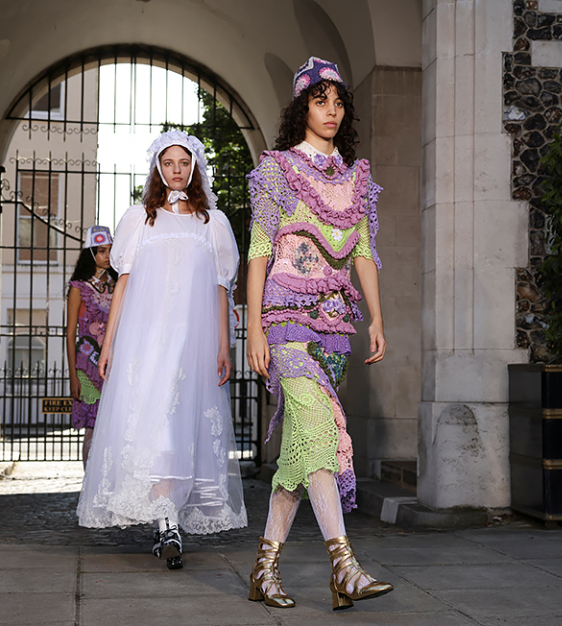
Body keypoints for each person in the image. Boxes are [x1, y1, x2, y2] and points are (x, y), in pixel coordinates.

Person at [245, 57, 391, 611]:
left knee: (303, 448)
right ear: (301, 108)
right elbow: (259, 253)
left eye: (338, 102)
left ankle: (265, 567)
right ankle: (344, 566)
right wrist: (254, 327)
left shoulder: (357, 179)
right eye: (319, 101)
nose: (331, 111)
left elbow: (364, 254)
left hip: (333, 328)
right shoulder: (276, 171)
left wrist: (376, 318)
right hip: (284, 321)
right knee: (316, 429)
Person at [76, 130, 247, 570]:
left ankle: (167, 521)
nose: (176, 170)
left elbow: (220, 287)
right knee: (154, 428)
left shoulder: (213, 223)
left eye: (184, 163)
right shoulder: (139, 219)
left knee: (179, 428)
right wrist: (109, 344)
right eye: (169, 163)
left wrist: (223, 346)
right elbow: (124, 283)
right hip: (146, 342)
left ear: (195, 168)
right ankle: (166, 523)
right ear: (157, 168)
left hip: (192, 344)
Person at [66, 225, 117, 468]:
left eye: (110, 250)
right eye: (102, 251)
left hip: (115, 366)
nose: (107, 256)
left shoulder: (119, 285)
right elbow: (70, 334)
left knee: (114, 426)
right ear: (91, 254)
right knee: (92, 428)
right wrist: (72, 376)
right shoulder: (79, 287)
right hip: (87, 368)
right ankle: (89, 483)